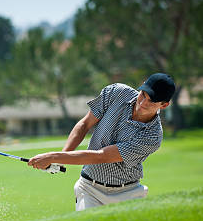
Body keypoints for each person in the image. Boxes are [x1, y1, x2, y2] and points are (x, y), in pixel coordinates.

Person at [28, 73, 176, 211]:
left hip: (127, 194)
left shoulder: (152, 136)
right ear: (142, 86)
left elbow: (100, 156)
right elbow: (85, 124)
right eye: (143, 94)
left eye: (151, 101)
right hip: (89, 189)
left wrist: (53, 157)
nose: (143, 103)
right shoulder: (116, 92)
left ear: (164, 105)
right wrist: (62, 157)